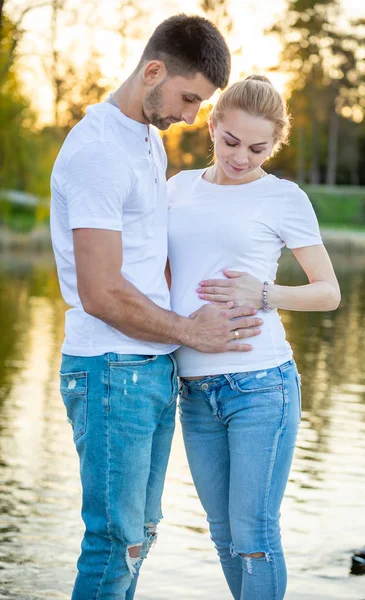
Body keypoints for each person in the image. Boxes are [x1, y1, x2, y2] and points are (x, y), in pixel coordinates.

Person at [50, 16, 264, 600]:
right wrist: (191, 331)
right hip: (110, 368)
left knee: (140, 534)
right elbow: (101, 290)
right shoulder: (98, 152)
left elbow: (150, 258)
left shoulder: (144, 139)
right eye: (188, 98)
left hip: (146, 368)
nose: (192, 116)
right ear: (152, 71)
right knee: (115, 539)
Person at [167, 75, 341, 600]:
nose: (241, 157)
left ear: (276, 144)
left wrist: (264, 293)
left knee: (255, 537)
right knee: (222, 537)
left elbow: (328, 292)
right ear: (213, 126)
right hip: (194, 392)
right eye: (231, 141)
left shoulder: (284, 197)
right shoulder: (177, 189)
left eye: (258, 148)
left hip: (261, 386)